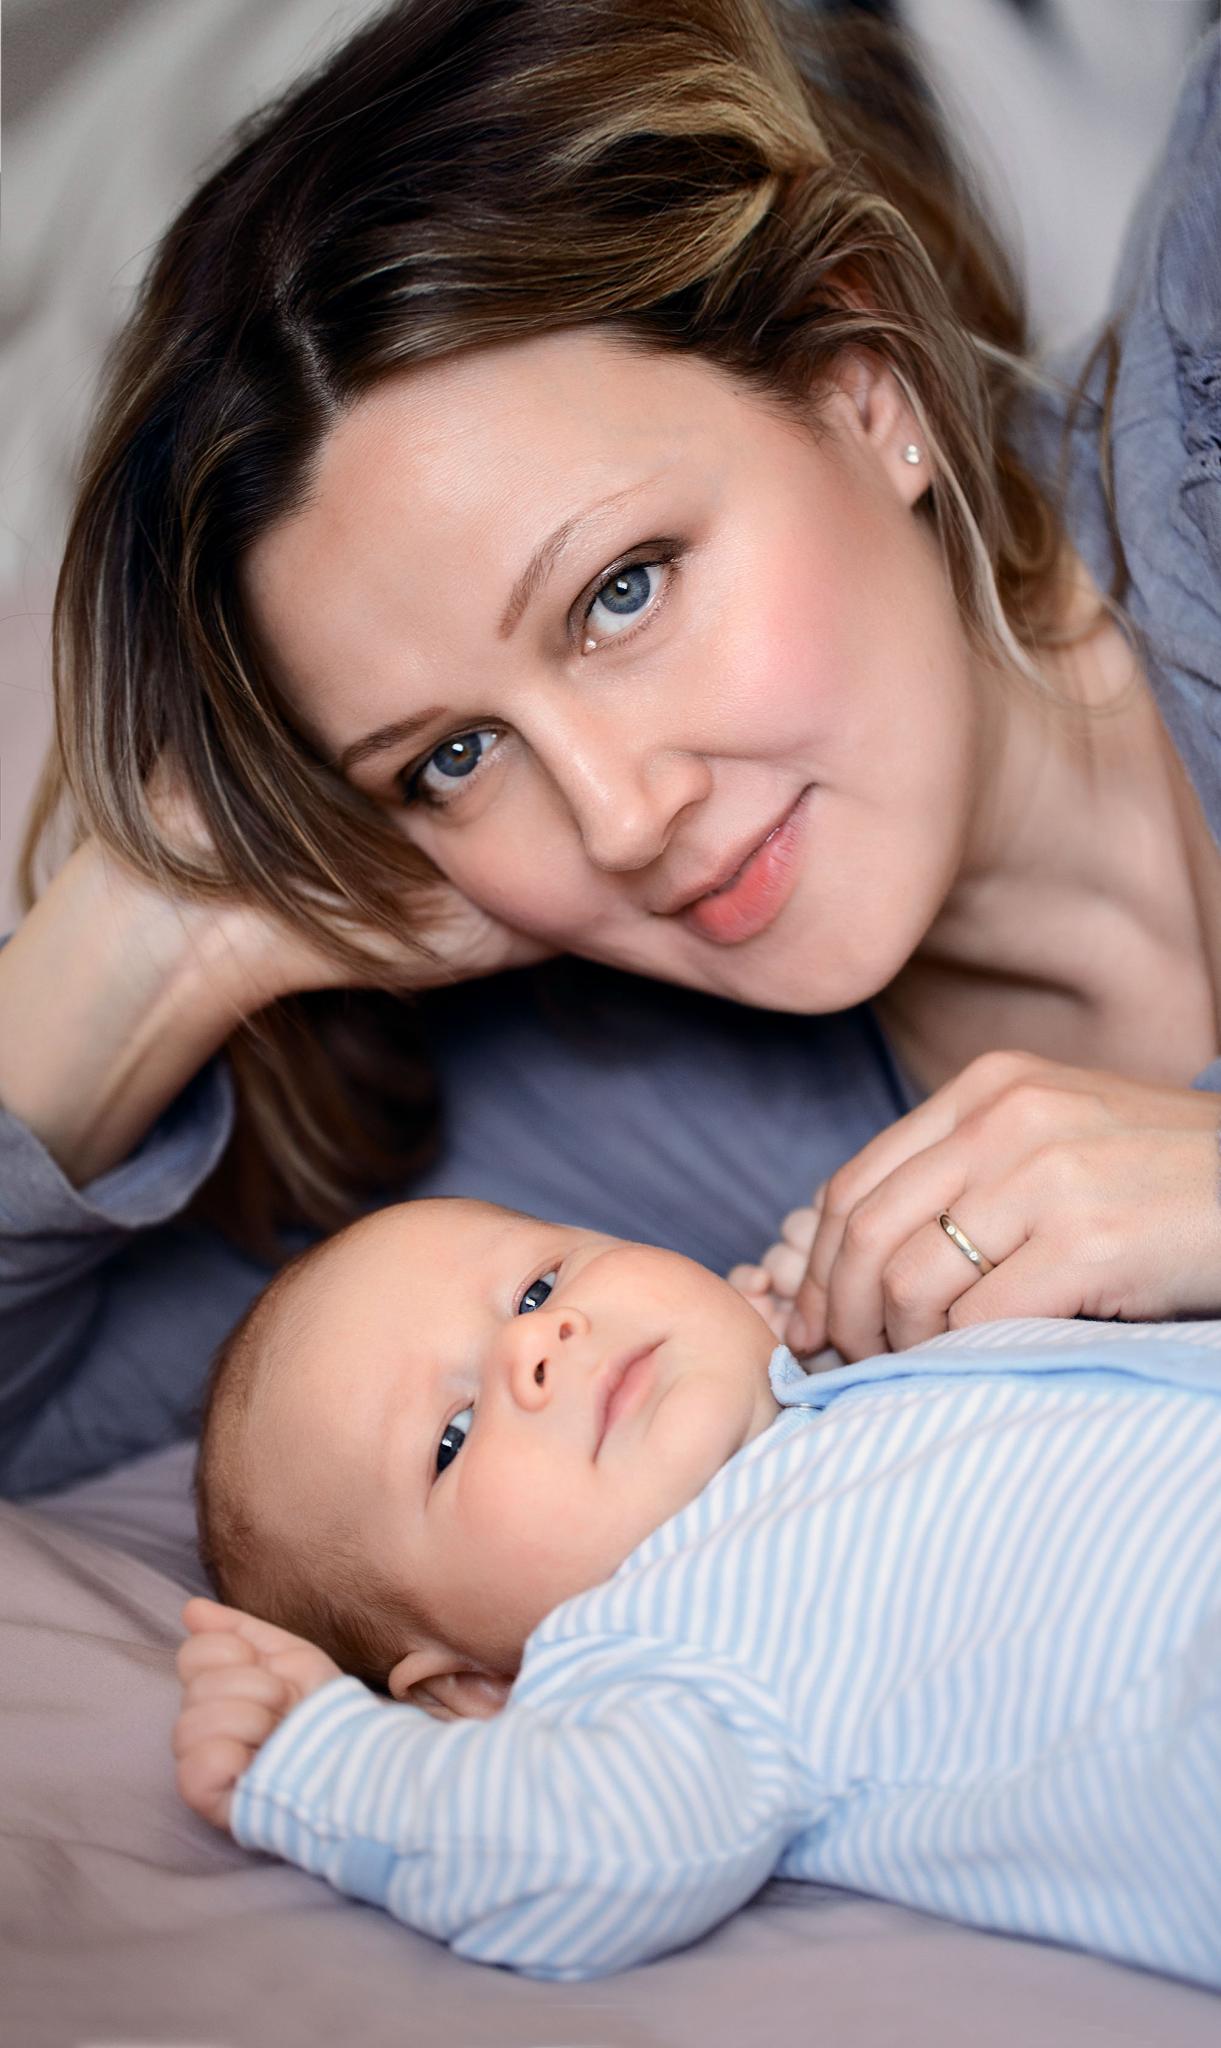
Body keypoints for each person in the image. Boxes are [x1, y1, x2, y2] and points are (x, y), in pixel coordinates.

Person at [3, 0, 1221, 1496]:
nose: (619, 819)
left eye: (621, 592)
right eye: (454, 756)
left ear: (863, 382)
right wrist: (162, 929)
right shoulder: (602, 1153)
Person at [172, 1193, 1221, 1985]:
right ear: (476, 1689)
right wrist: (326, 1761)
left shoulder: (865, 1378)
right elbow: (587, 1850)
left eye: (538, 1288)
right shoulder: (658, 1645)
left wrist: (820, 1317)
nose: (538, 1341)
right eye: (450, 1439)